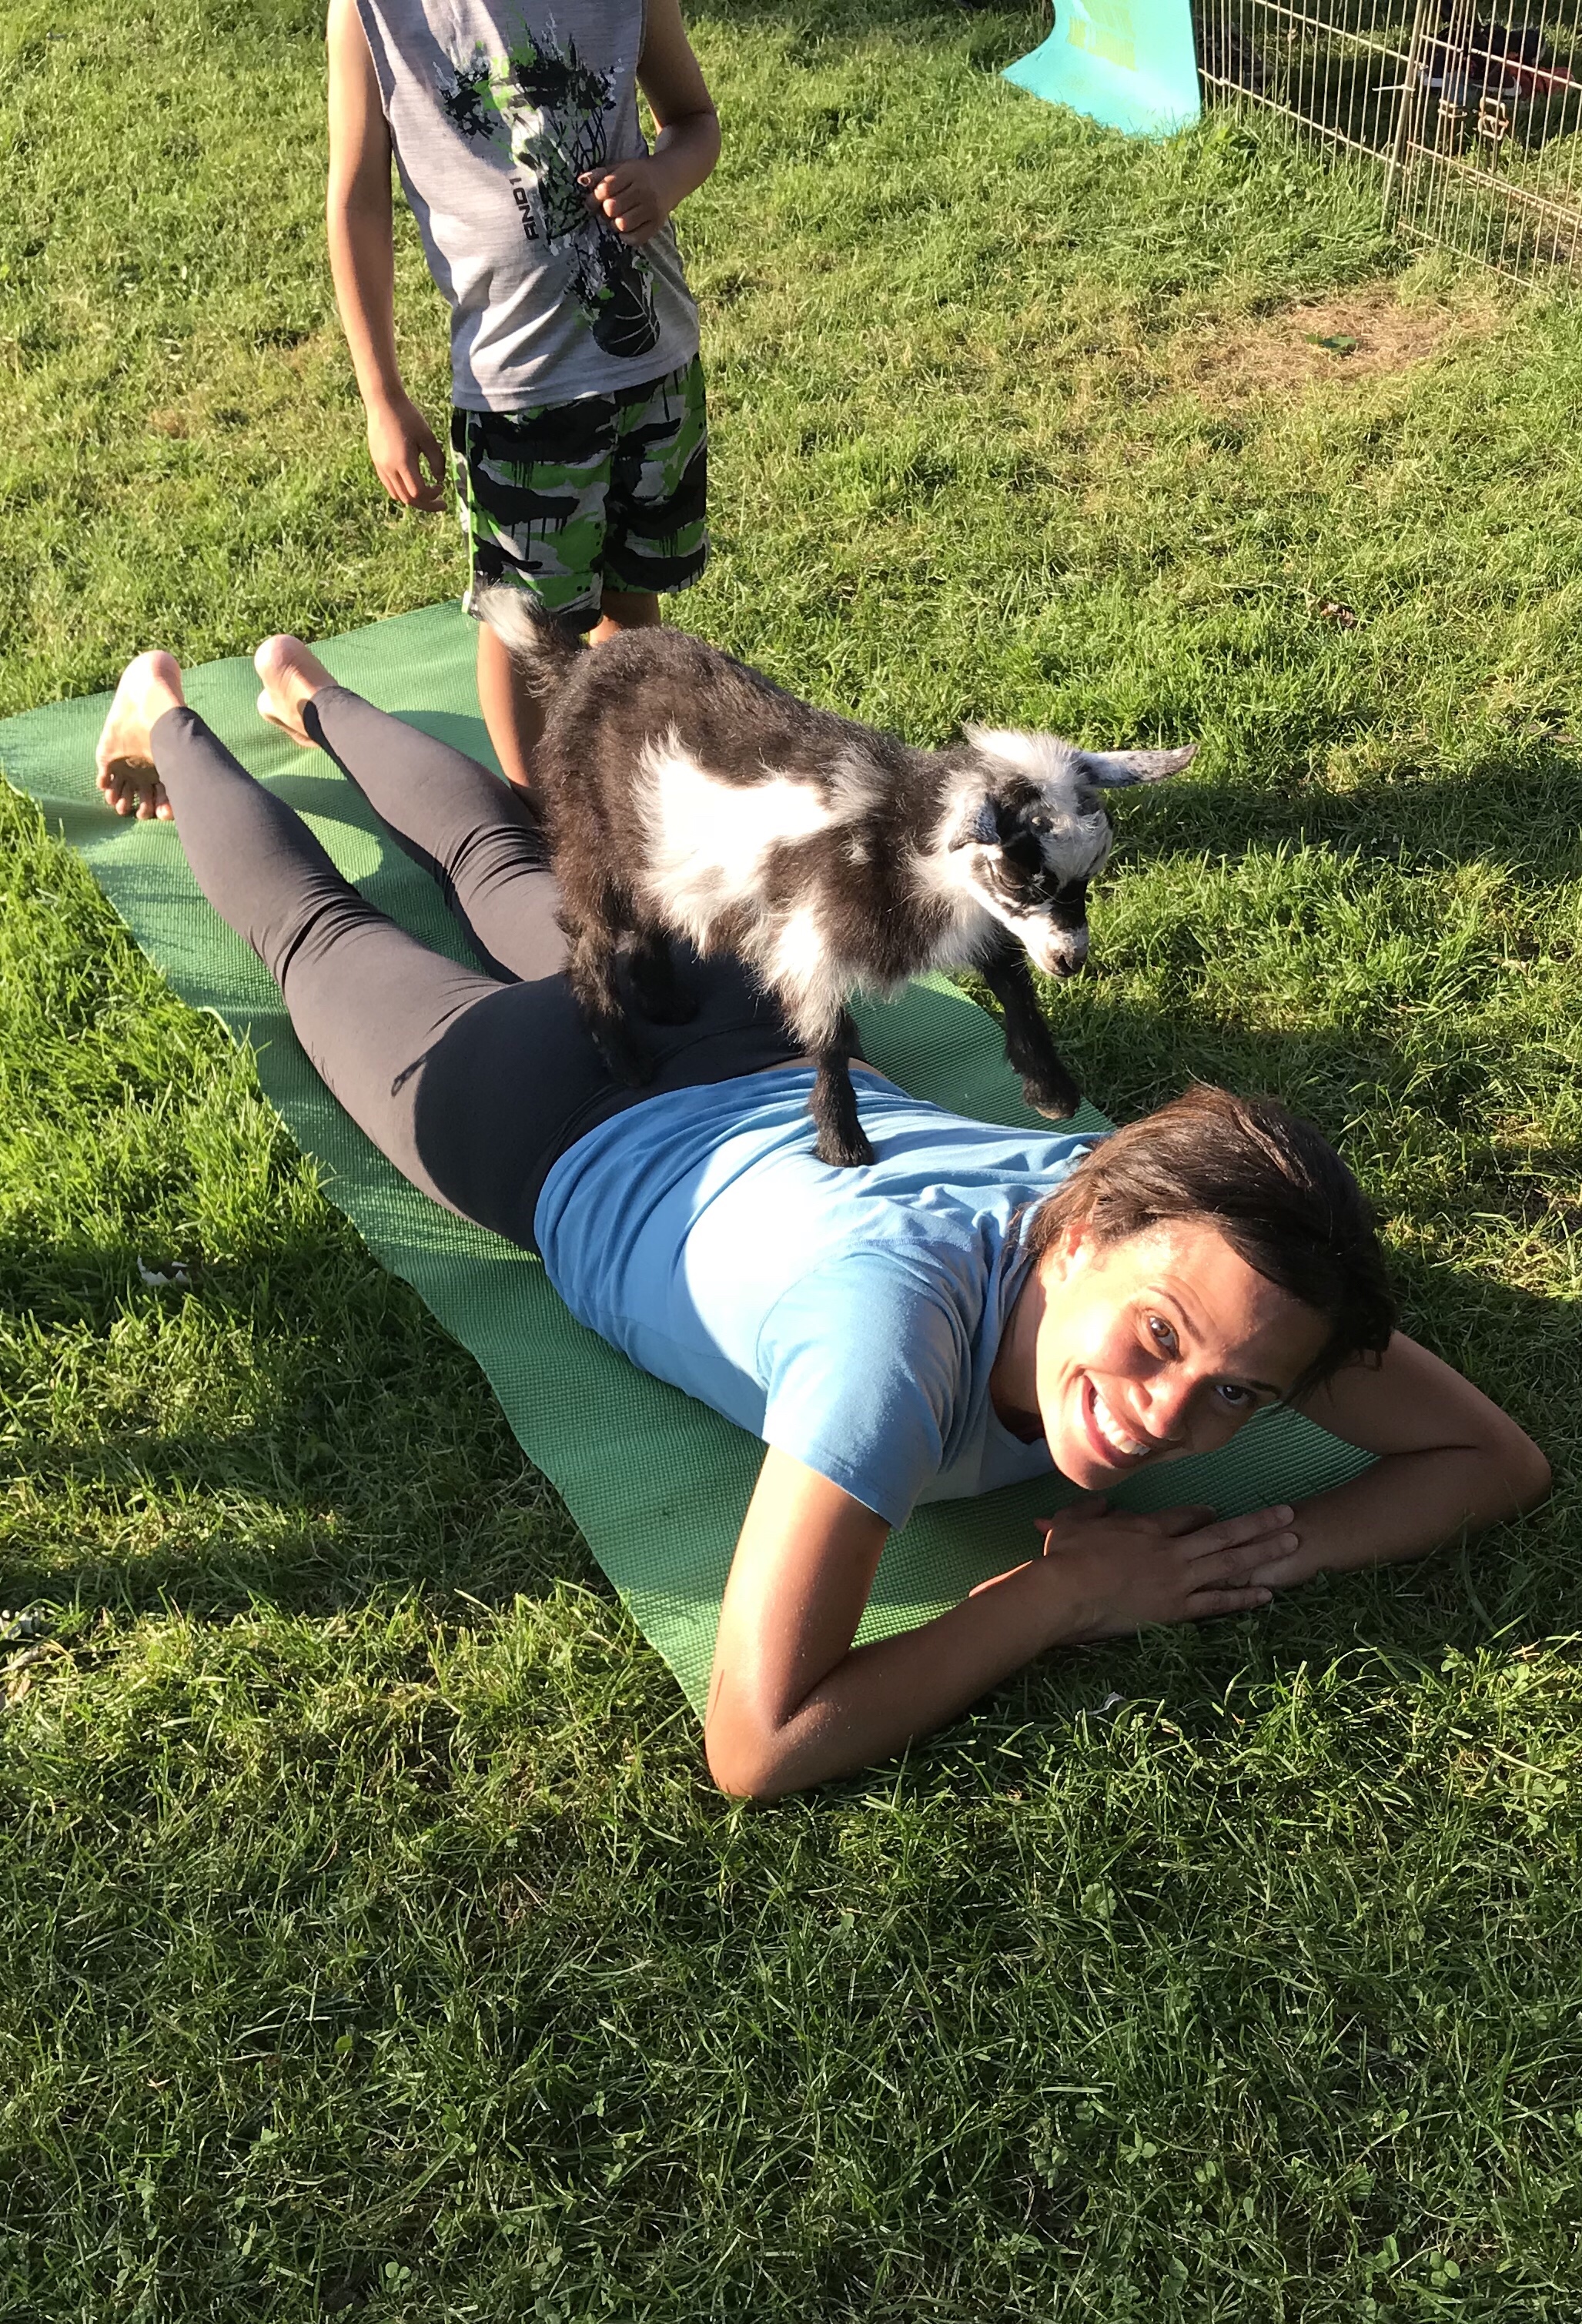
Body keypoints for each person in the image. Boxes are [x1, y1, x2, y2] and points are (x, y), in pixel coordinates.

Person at [95, 643, 1552, 1799]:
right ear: (1078, 1228)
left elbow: (1494, 1460)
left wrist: (1265, 1551)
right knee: (318, 936)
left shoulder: (1214, 1256)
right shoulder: (888, 1339)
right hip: (541, 1117)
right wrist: (1064, 1596)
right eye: (1161, 1340)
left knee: (501, 863)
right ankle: (165, 710)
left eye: (1239, 1395)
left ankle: (309, 690)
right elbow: (759, 1739)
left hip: (743, 1027)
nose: (1169, 1414)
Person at [326, 0, 718, 798]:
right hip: (517, 391)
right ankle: (535, 815)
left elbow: (694, 121)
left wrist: (662, 177)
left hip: (654, 365)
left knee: (630, 594)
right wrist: (381, 395)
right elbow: (357, 200)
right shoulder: (373, 15)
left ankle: (624, 796)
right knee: (525, 625)